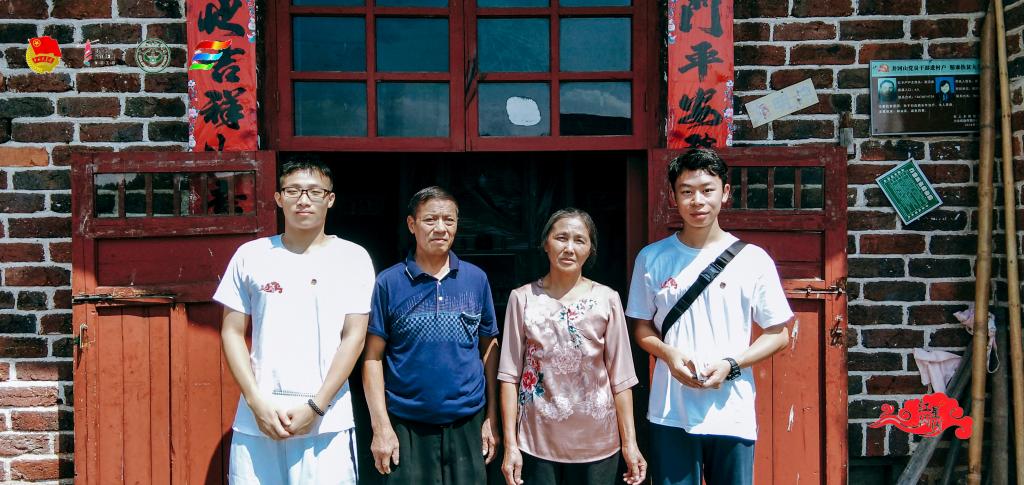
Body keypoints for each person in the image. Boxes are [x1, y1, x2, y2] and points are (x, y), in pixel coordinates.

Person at [627, 148, 793, 485]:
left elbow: (779, 334)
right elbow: (642, 327)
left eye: (707, 190)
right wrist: (668, 354)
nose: (697, 201)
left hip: (732, 410)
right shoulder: (652, 257)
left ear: (725, 192)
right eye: (687, 191)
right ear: (673, 197)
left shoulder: (753, 260)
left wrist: (732, 364)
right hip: (671, 410)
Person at [215, 160, 375, 484]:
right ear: (278, 198)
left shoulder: (353, 257)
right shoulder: (251, 255)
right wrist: (256, 402)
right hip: (259, 419)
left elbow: (354, 338)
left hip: (327, 422)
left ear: (330, 199)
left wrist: (316, 406)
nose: (304, 200)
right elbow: (231, 332)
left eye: (315, 192)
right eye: (293, 191)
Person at [363, 186, 501, 484]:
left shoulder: (476, 279)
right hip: (406, 425)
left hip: (467, 421)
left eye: (448, 220)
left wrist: (492, 416)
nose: (440, 228)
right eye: (430, 220)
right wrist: (380, 426)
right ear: (411, 224)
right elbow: (372, 357)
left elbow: (489, 347)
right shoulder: (389, 282)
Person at [498, 208, 646, 485]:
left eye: (579, 240)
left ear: (590, 250)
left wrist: (630, 443)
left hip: (598, 441)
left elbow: (622, 378)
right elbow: (509, 376)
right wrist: (511, 445)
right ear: (545, 243)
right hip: (536, 440)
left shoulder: (607, 299)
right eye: (561, 238)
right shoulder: (523, 299)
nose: (569, 248)